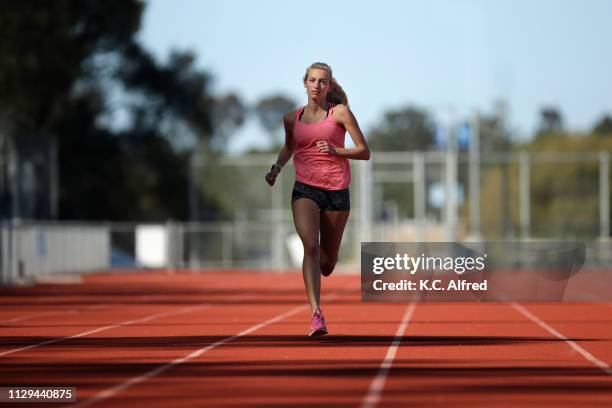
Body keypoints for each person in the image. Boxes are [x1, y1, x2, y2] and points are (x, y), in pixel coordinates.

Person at [265, 62, 370, 337]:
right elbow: (290, 146)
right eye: (312, 80)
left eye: (323, 81)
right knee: (310, 246)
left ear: (329, 86)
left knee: (327, 263)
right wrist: (276, 168)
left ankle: (326, 264)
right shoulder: (292, 119)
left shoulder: (340, 114)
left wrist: (336, 151)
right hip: (305, 189)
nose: (317, 85)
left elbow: (363, 151)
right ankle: (316, 314)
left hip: (336, 191)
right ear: (305, 83)